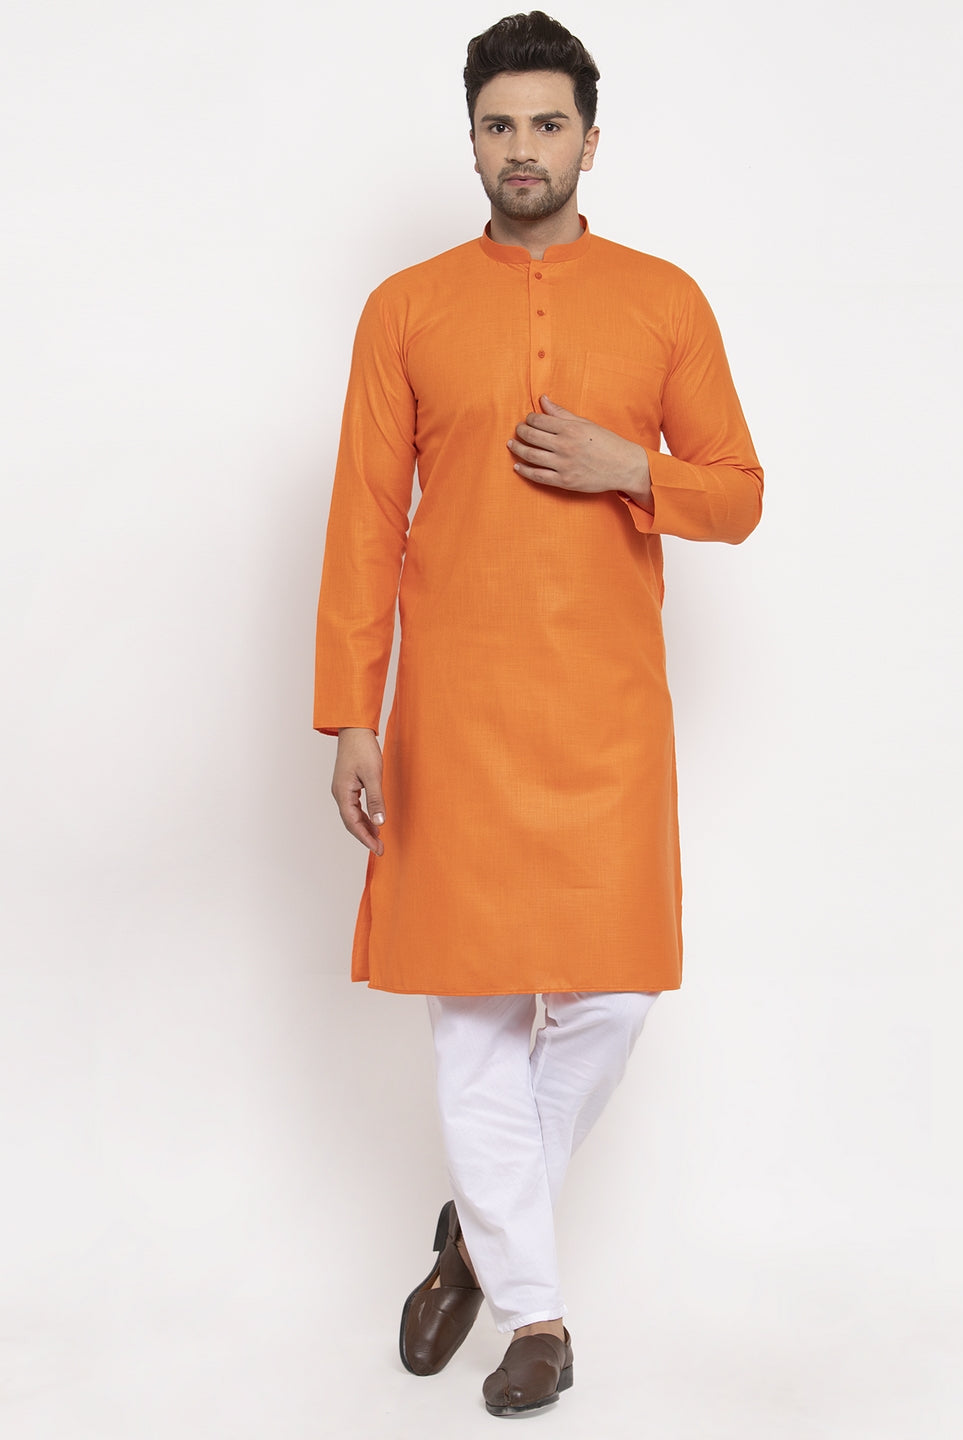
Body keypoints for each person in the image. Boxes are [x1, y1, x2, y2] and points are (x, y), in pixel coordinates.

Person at [313, 10, 763, 1419]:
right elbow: (363, 519)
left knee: (614, 997)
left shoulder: (664, 300)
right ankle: (538, 1318)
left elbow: (739, 494)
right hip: (453, 710)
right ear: (472, 139)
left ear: (590, 140)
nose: (524, 148)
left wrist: (633, 466)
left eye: (547, 124)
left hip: (608, 711)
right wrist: (352, 715)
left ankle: (473, 1231)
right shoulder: (404, 309)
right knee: (474, 1014)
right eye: (500, 124)